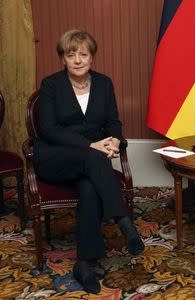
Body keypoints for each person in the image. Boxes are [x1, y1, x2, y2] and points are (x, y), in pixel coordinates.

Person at [34, 29, 145, 294]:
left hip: (90, 162)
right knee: (93, 158)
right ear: (63, 59)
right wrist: (90, 144)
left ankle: (83, 264)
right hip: (56, 157)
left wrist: (115, 140)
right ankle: (122, 220)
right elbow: (48, 129)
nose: (78, 60)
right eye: (71, 55)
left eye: (83, 54)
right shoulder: (51, 85)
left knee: (88, 188)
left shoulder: (104, 84)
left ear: (92, 57)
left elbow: (113, 122)